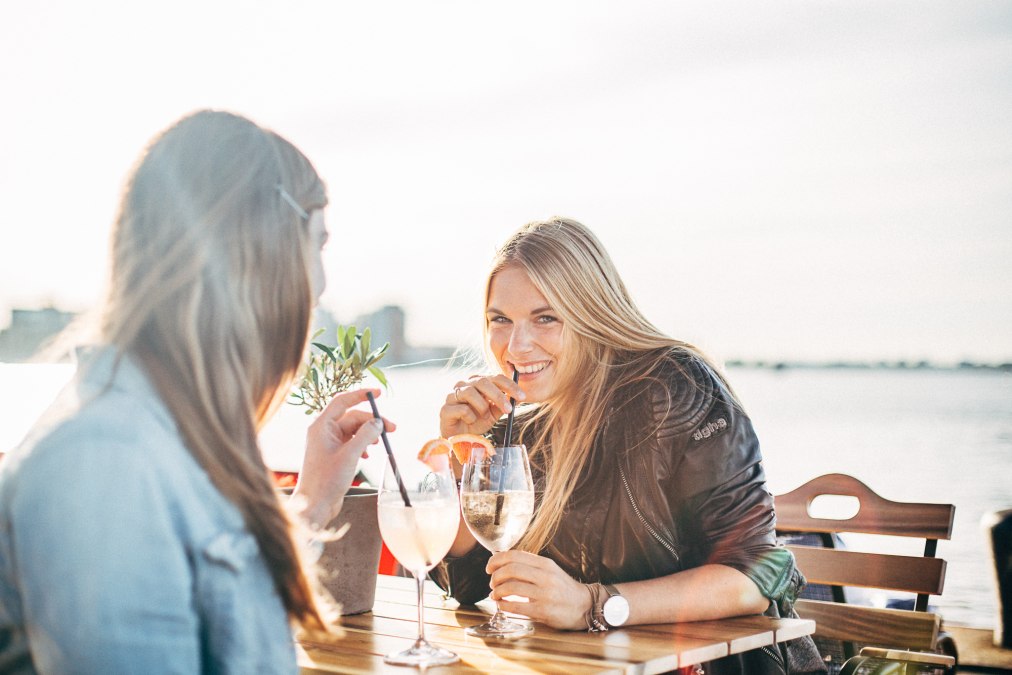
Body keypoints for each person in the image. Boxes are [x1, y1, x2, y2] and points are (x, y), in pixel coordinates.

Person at [0, 110, 392, 673]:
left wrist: (313, 503)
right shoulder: (105, 462)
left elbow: (225, 630)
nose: (322, 282)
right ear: (261, 248)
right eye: (317, 244)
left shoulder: (171, 435)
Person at [432, 217, 826, 674]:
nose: (516, 347)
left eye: (546, 318)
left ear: (591, 311)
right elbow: (465, 585)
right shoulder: (515, 416)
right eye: (500, 320)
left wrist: (592, 606)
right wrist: (464, 457)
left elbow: (755, 578)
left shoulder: (676, 388)